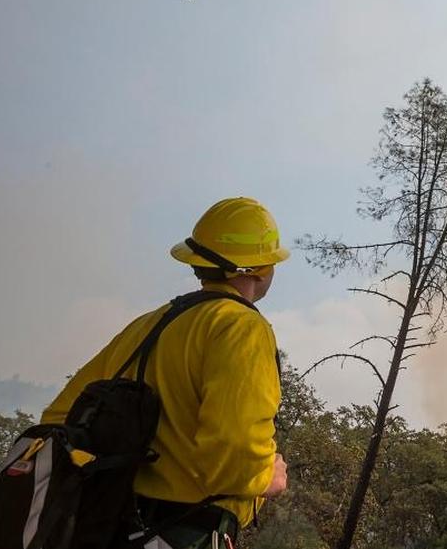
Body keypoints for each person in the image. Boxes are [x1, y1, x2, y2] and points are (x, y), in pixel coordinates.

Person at [41, 197, 291, 548]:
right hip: (187, 532)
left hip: (109, 529)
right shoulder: (241, 328)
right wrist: (268, 478)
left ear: (198, 262)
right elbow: (233, 456)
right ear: (261, 269)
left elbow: (58, 419)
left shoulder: (148, 325)